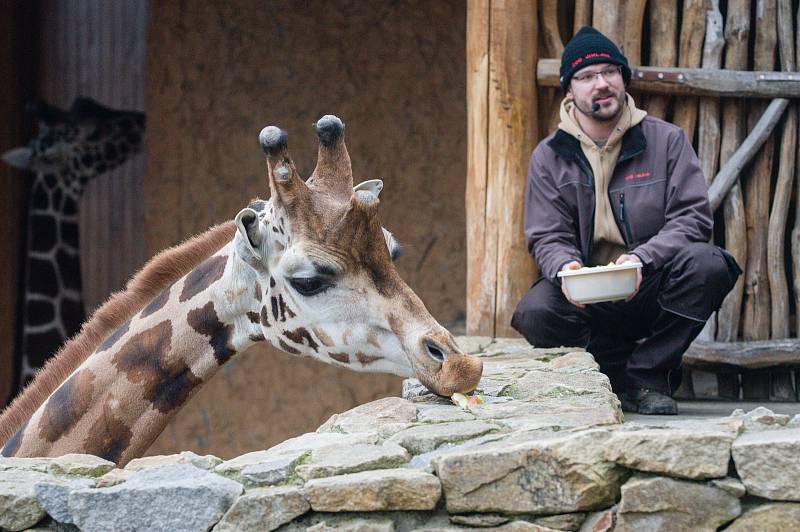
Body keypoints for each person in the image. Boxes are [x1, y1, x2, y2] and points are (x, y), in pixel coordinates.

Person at [511, 26, 741, 415]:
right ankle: (614, 375)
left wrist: (642, 258)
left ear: (623, 78)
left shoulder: (666, 141)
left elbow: (692, 219)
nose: (601, 83)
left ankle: (651, 375)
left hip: (651, 281)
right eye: (586, 76)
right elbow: (546, 234)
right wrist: (566, 268)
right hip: (585, 291)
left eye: (609, 72)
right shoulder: (548, 157)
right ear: (569, 89)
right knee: (536, 311)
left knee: (709, 265)